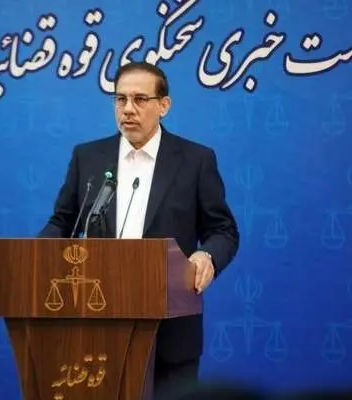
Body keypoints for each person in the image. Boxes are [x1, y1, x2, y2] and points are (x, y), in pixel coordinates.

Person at [39, 61, 239, 397]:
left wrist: (207, 256)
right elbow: (62, 222)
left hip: (171, 329)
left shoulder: (195, 160)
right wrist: (36, 257)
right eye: (120, 99)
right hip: (97, 322)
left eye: (140, 99)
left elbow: (223, 230)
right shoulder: (88, 157)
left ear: (164, 105)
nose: (128, 109)